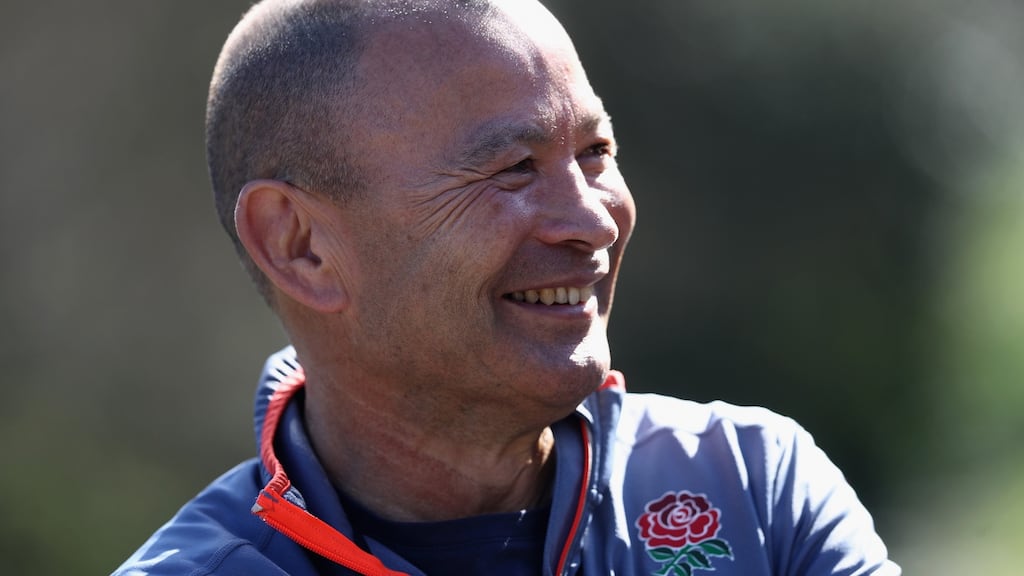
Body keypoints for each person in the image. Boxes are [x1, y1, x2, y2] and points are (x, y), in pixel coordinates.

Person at [114, 0, 900, 574]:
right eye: (513, 169)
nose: (591, 221)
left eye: (596, 152)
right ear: (301, 245)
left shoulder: (751, 491)